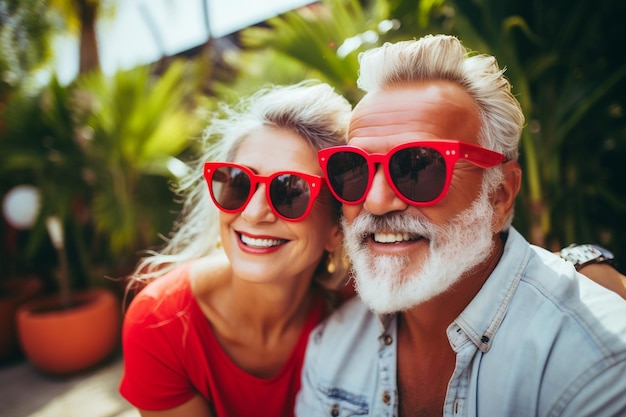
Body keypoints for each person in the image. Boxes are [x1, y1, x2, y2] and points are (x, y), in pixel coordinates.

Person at [296, 34, 626, 416]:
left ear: (499, 194)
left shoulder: (596, 364)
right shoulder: (332, 347)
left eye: (418, 166)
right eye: (353, 169)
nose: (375, 200)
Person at [119, 81, 352, 417]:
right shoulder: (160, 325)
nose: (253, 212)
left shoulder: (365, 312)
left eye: (289, 191)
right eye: (240, 183)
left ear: (336, 230)